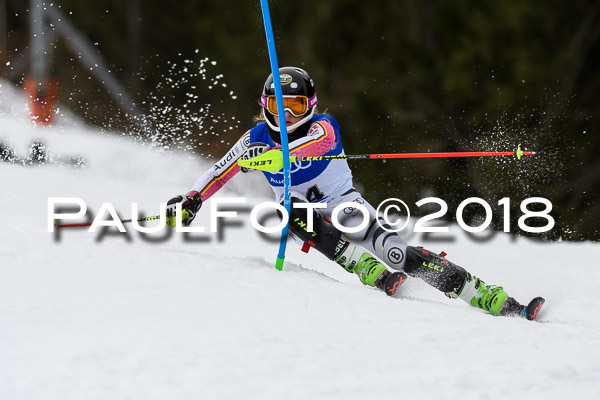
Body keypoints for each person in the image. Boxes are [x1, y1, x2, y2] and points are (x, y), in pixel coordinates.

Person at [166, 66, 544, 320]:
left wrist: (269, 159)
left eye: (295, 107)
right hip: (300, 213)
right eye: (278, 106)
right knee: (289, 209)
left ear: (309, 106)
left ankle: (488, 296)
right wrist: (191, 201)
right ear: (265, 106)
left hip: (342, 202)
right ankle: (364, 268)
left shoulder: (323, 127)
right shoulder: (254, 139)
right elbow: (218, 171)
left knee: (397, 252)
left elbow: (315, 145)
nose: (286, 116)